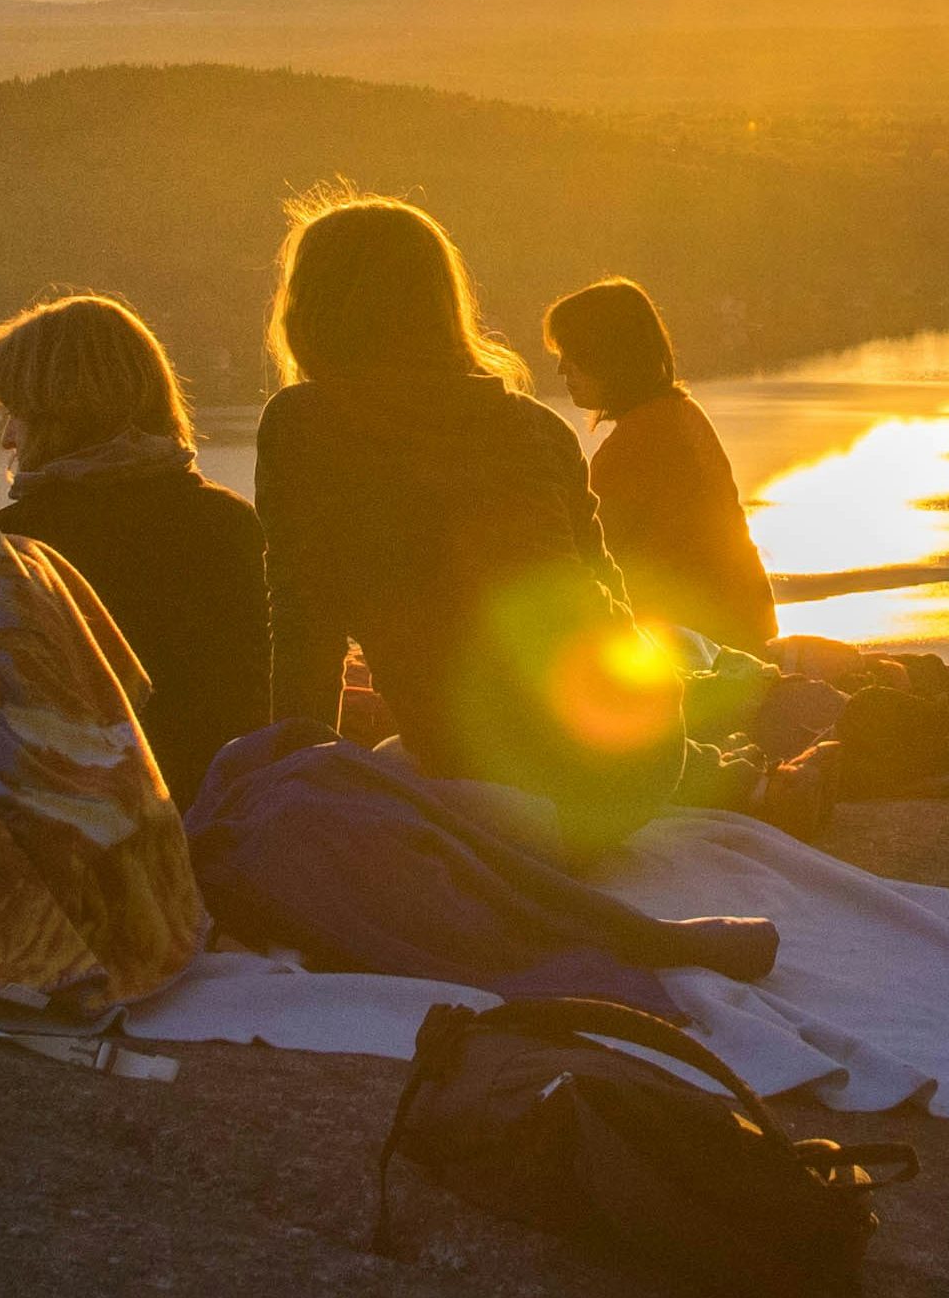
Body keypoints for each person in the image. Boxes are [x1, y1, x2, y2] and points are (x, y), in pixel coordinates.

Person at [253, 196, 681, 838]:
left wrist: (295, 799)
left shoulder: (305, 423)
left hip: (511, 789)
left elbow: (304, 632)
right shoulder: (537, 427)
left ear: (313, 308)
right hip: (641, 764)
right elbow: (610, 607)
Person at [0, 293, 267, 796]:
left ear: (59, 413)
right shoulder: (230, 522)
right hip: (223, 819)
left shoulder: (22, 545)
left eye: (16, 412)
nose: (7, 438)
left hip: (87, 835)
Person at [539, 276, 779, 656]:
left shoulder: (637, 444)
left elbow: (590, 558)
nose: (562, 370)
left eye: (573, 354)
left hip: (697, 644)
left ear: (608, 355)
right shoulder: (680, 413)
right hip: (741, 626)